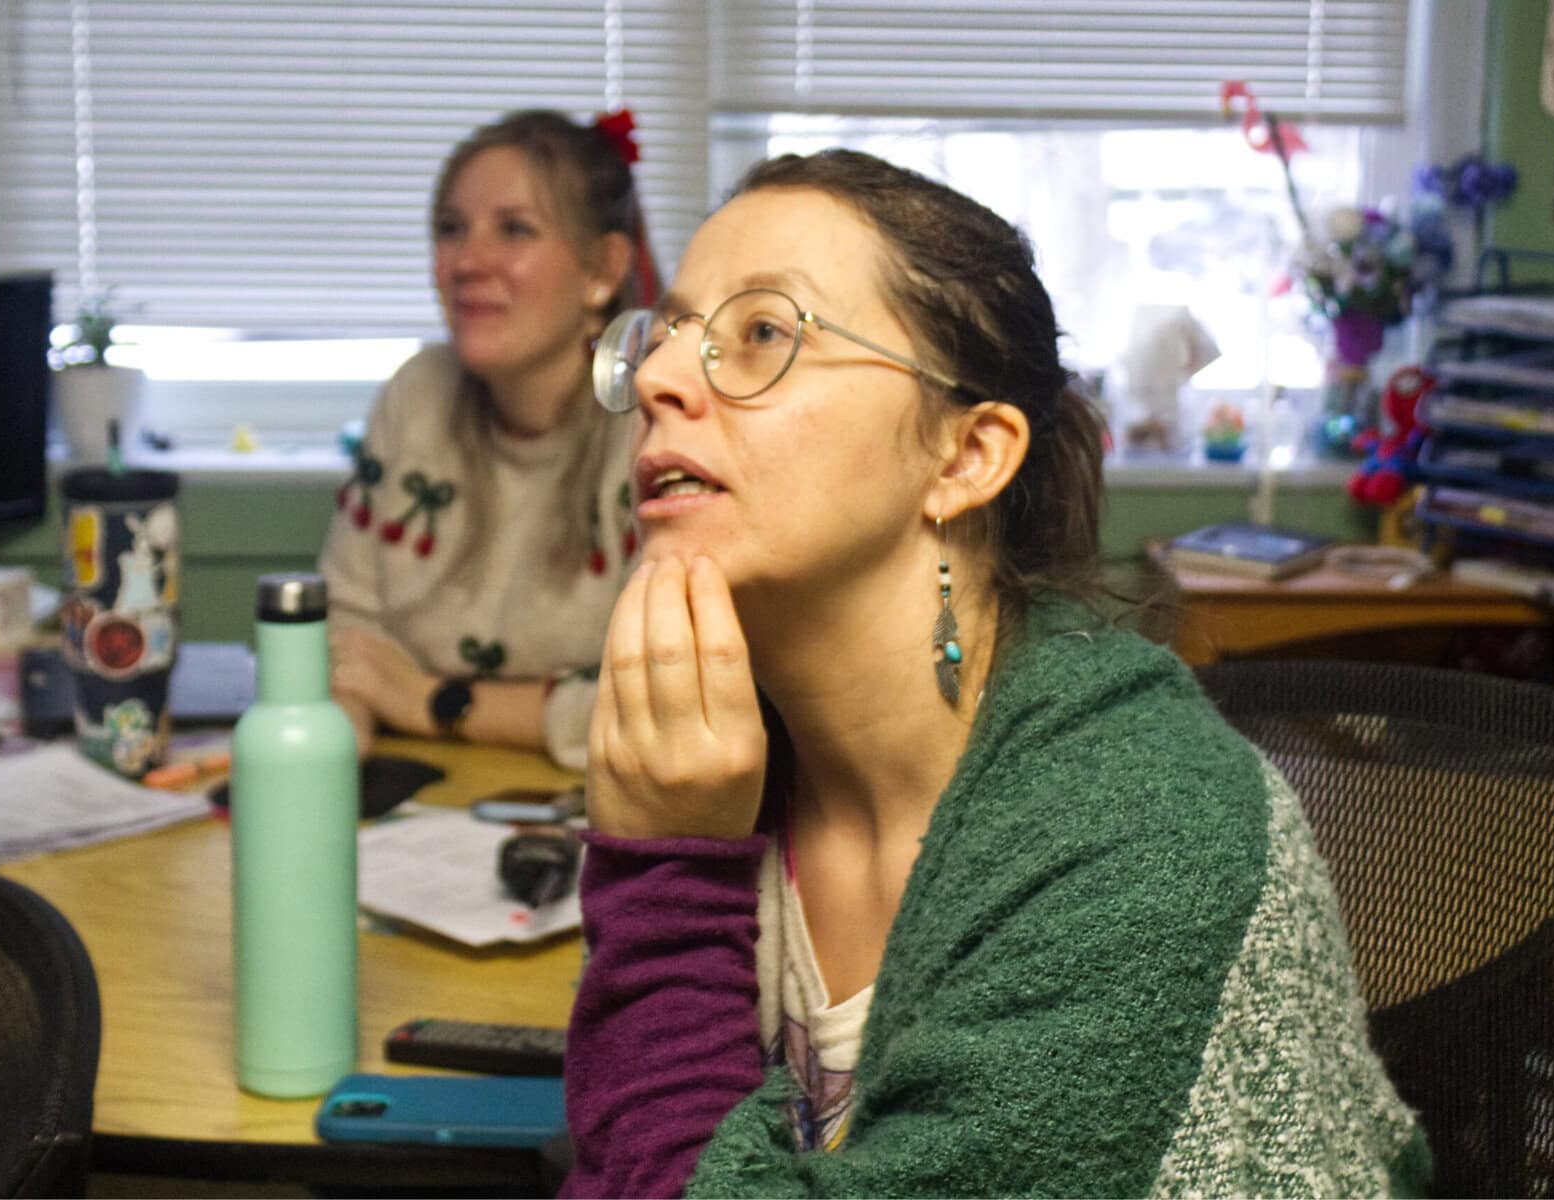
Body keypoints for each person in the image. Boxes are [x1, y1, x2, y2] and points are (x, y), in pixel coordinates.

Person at [561, 150, 1429, 1198]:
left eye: (760, 334)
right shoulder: (728, 765)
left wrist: (662, 878)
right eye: (664, 337)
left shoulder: (1141, 839)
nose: (656, 378)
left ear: (964, 456)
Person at [319, 109, 659, 767]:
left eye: (515, 230)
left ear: (603, 269)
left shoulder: (663, 421)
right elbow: (343, 632)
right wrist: (338, 732)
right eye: (450, 229)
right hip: (432, 808)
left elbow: (669, 707)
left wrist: (432, 702)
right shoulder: (417, 393)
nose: (467, 262)